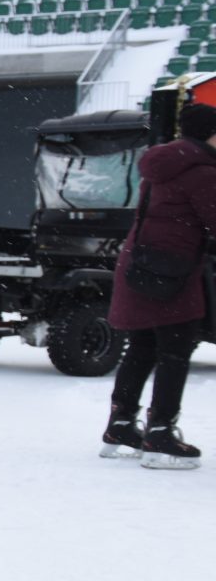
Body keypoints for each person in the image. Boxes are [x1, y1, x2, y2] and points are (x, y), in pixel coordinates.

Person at [101, 96, 216, 468]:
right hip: (174, 272)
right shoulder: (203, 173)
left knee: (142, 347)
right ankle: (161, 433)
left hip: (141, 263)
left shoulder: (161, 165)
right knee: (175, 352)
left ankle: (120, 426)